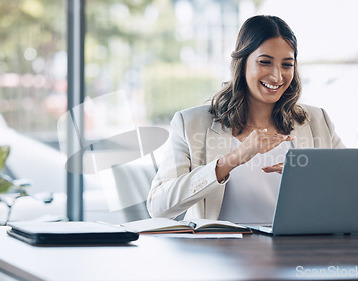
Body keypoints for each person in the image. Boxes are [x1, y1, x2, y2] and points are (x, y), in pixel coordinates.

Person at [146, 15, 344, 223]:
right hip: (217, 251)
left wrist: (314, 178)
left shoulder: (317, 122)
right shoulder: (191, 124)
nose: (277, 76)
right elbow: (158, 207)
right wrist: (233, 159)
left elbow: (354, 186)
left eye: (287, 65)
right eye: (265, 62)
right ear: (242, 64)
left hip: (296, 252)